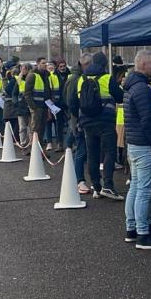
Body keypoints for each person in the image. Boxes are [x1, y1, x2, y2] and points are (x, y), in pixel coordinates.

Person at [121, 50, 151, 249]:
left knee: (135, 188)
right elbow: (148, 119)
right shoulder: (142, 89)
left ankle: (132, 228)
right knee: (145, 191)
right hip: (144, 144)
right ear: (144, 65)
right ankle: (143, 233)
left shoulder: (131, 86)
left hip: (133, 142)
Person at [71, 51, 124, 200]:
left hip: (87, 121)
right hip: (105, 121)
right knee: (109, 152)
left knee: (92, 154)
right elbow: (120, 96)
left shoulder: (81, 79)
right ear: (104, 64)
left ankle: (96, 186)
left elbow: (74, 101)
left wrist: (79, 119)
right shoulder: (107, 78)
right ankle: (108, 185)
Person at [64, 54, 92, 196]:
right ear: (85, 65)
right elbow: (71, 101)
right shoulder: (77, 79)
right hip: (78, 118)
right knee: (81, 149)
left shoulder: (72, 77)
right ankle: (79, 180)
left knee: (80, 148)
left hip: (75, 117)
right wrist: (77, 116)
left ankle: (79, 179)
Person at [24, 57, 53, 150]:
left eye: (46, 63)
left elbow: (47, 91)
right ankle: (34, 150)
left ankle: (40, 150)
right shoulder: (32, 75)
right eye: (43, 63)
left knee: (42, 129)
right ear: (38, 64)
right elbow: (27, 93)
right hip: (36, 107)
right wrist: (33, 106)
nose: (46, 65)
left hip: (44, 106)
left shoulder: (46, 75)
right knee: (35, 129)